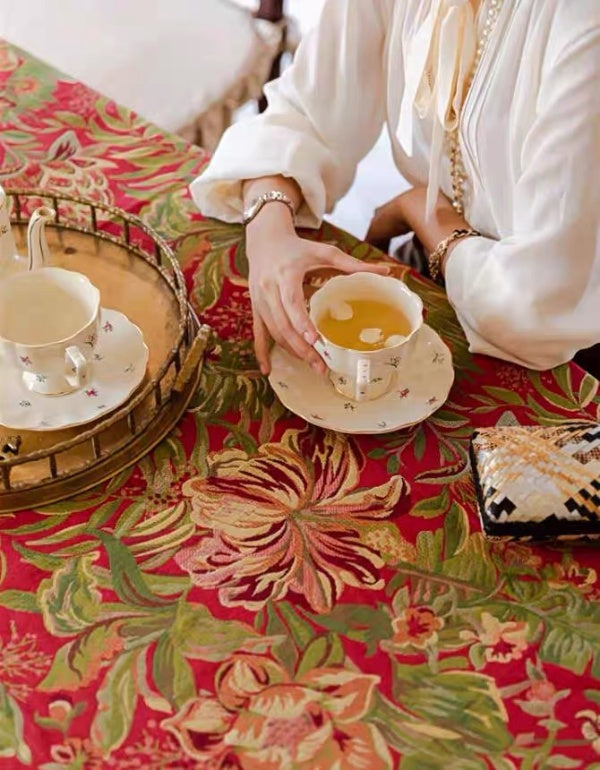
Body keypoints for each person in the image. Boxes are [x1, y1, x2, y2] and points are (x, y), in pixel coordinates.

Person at [191, 0, 600, 379]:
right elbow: (306, 112)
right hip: (437, 271)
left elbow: (538, 306)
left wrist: (424, 212)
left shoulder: (583, 24)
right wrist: (269, 228)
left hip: (568, 344)